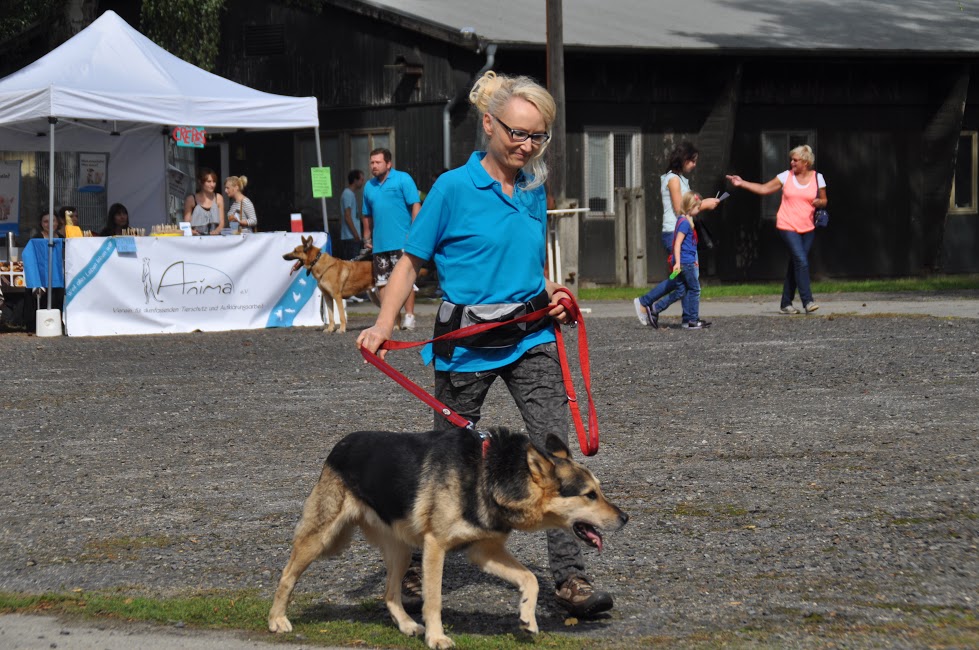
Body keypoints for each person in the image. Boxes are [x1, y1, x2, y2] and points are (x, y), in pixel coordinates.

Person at [356, 70, 615, 618]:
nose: (527, 145)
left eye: (538, 136)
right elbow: (409, 263)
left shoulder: (533, 187)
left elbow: (528, 265)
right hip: (466, 346)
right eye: (518, 133)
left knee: (554, 456)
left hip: (531, 336)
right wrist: (382, 324)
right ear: (490, 125)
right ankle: (414, 569)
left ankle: (570, 578)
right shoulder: (452, 188)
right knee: (445, 462)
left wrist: (555, 295)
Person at [726, 144, 827, 314]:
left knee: (796, 263)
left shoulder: (818, 178)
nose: (792, 163)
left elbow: (824, 200)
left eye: (795, 160)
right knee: (801, 261)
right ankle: (808, 301)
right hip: (787, 225)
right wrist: (742, 183)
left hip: (808, 227)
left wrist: (820, 202)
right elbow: (764, 188)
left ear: (806, 162)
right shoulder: (785, 176)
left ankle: (785, 304)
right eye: (791, 160)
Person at [634, 142, 719, 327]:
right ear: (684, 159)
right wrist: (705, 204)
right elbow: (680, 207)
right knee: (685, 278)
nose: (695, 165)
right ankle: (646, 302)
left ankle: (688, 318)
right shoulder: (673, 179)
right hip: (675, 232)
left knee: (685, 278)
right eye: (693, 161)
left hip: (683, 231)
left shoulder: (680, 179)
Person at [361, 148, 420, 329]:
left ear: (388, 164)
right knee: (382, 282)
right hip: (379, 244)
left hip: (402, 240)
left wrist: (415, 232)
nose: (374, 166)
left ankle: (409, 316)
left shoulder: (403, 179)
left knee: (406, 279)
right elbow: (366, 214)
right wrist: (366, 237)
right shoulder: (369, 186)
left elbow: (416, 205)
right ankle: (390, 318)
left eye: (378, 162)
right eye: (372, 162)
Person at [183, 167, 225, 236]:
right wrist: (191, 231)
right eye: (209, 181)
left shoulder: (218, 198)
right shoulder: (191, 199)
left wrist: (216, 231)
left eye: (214, 181)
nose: (212, 185)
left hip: (215, 238)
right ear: (200, 182)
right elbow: (186, 224)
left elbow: (222, 223)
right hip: (196, 238)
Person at [339, 169, 366, 259]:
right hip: (350, 237)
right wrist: (355, 234)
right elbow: (347, 216)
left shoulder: (351, 194)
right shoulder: (347, 194)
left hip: (352, 237)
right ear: (355, 180)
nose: (362, 182)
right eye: (361, 180)